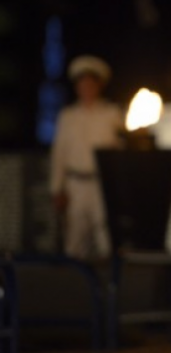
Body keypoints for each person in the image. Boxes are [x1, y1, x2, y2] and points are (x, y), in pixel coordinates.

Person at [50, 54, 125, 260]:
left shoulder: (112, 114)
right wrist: (57, 188)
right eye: (82, 84)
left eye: (91, 84)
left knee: (105, 235)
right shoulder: (68, 116)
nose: (87, 88)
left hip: (102, 182)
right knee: (75, 237)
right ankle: (74, 277)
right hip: (75, 183)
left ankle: (109, 276)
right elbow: (59, 154)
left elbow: (121, 149)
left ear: (99, 86)